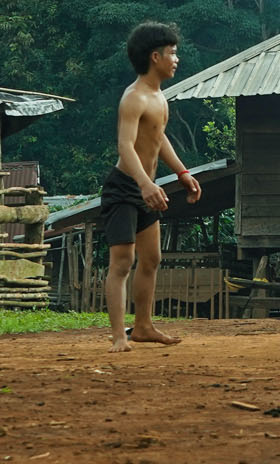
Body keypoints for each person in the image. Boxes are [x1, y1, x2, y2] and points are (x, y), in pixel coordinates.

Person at [102, 21, 201, 353]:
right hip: (125, 188)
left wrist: (182, 172)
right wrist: (145, 185)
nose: (177, 59)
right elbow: (125, 147)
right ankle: (119, 336)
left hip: (147, 186)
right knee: (122, 261)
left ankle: (143, 326)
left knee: (152, 258)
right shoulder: (134, 98)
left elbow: (158, 140)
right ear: (154, 56)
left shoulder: (160, 98)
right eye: (172, 53)